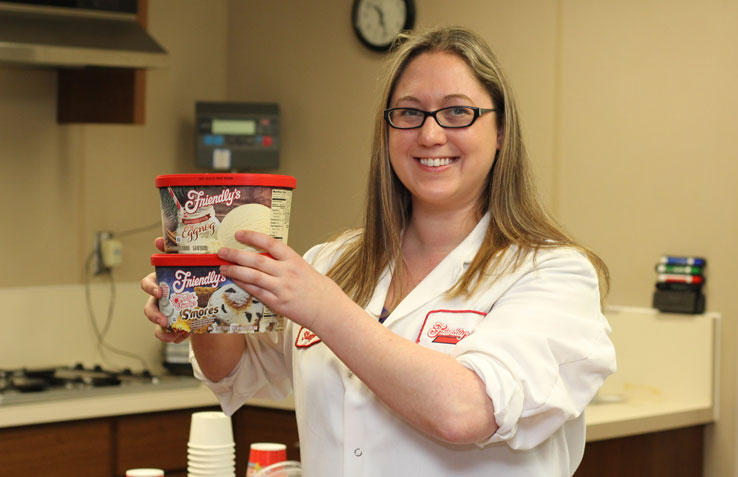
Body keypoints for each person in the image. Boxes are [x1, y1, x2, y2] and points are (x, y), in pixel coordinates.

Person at [142, 25, 615, 476]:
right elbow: (238, 370)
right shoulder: (333, 262)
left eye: (457, 112)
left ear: (501, 133)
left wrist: (324, 308)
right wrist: (202, 293)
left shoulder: (553, 275)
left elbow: (466, 411)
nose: (429, 135)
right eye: (409, 113)